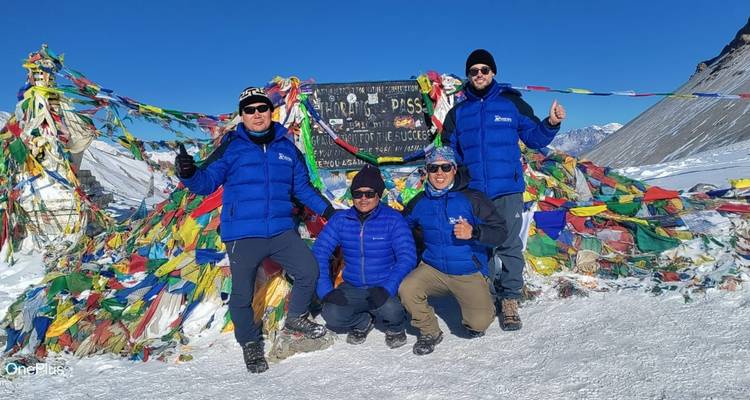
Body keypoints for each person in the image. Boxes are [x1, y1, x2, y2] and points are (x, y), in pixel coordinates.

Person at [175, 87, 337, 373]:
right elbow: (206, 183)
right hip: (242, 234)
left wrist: (328, 211)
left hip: (280, 230)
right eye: (249, 110)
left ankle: (296, 318)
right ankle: (249, 342)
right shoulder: (231, 146)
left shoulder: (287, 147)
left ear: (270, 111)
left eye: (261, 108)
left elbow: (302, 188)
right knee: (242, 294)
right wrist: (188, 173)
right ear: (242, 116)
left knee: (308, 270)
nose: (256, 114)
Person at [441, 49, 567, 331]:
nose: (479, 75)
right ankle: (485, 295)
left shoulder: (512, 105)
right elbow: (448, 151)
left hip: (507, 190)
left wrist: (551, 124)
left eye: (484, 70)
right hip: (473, 193)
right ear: (468, 75)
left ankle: (510, 298)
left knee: (510, 246)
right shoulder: (458, 113)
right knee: (478, 244)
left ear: (493, 72)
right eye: (474, 71)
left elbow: (534, 139)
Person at [400, 147, 505, 355]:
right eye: (433, 168)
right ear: (426, 172)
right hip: (433, 269)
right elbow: (402, 228)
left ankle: (486, 303)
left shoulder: (473, 198)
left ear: (454, 170)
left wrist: (474, 232)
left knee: (478, 324)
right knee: (407, 289)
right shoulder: (419, 202)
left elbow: (500, 232)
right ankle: (429, 331)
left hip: (468, 271)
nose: (440, 173)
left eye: (445, 167)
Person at [313, 165, 416, 348]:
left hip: (384, 285)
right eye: (357, 194)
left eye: (369, 194)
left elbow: (407, 257)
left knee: (392, 311)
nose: (363, 199)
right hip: (353, 286)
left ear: (378, 194)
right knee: (331, 314)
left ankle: (395, 327)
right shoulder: (341, 220)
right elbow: (319, 253)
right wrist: (326, 292)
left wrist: (388, 288)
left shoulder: (393, 219)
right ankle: (362, 320)